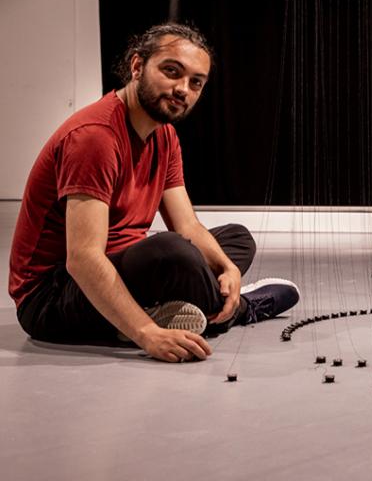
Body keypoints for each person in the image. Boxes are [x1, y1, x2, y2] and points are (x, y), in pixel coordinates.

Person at [9, 23, 300, 362]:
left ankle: (161, 311)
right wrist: (147, 334)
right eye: (171, 71)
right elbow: (83, 259)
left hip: (120, 265)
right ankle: (238, 309)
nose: (183, 89)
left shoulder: (164, 136)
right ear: (137, 66)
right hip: (50, 298)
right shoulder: (95, 137)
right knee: (173, 252)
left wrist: (227, 268)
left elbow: (187, 225)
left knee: (236, 239)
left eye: (196, 82)